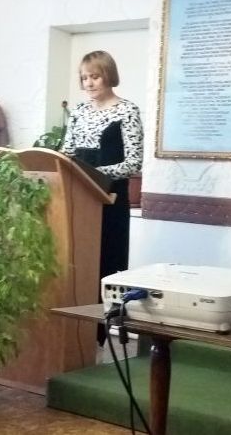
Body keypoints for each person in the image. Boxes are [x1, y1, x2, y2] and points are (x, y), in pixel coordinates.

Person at [61, 50, 144, 345]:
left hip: (110, 200)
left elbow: (134, 163)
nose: (89, 83)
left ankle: (100, 335)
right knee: (77, 265)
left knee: (107, 262)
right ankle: (76, 334)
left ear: (108, 76)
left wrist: (92, 173)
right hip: (78, 201)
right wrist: (72, 170)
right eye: (84, 78)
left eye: (94, 76)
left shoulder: (127, 111)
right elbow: (66, 154)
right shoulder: (79, 112)